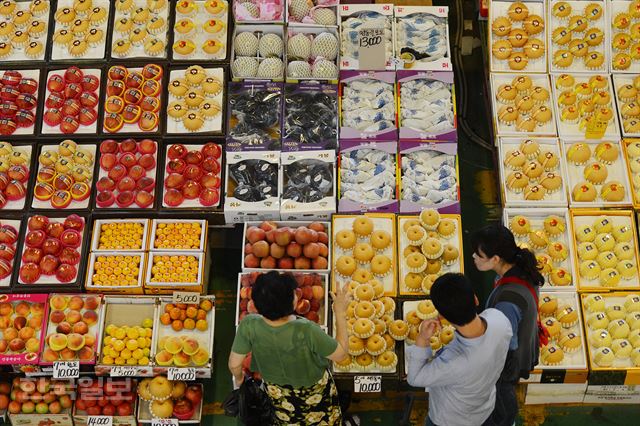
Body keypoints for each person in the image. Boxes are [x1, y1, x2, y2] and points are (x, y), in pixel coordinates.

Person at [228, 271, 351, 425]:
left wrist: (239, 380)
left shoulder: (248, 324)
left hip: (277, 390)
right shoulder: (306, 330)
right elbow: (340, 355)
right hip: (313, 390)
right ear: (293, 302)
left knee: (286, 417)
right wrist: (340, 312)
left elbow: (234, 364)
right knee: (321, 416)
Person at [406, 273, 512, 426]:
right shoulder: (500, 320)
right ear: (475, 299)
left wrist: (423, 338)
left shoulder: (454, 362)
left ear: (442, 316)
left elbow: (415, 378)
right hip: (484, 406)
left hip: (450, 419)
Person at [471, 223, 545, 426]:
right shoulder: (520, 269)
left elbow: (506, 345)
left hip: (507, 362)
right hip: (526, 339)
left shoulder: (507, 301)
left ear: (495, 259)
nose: (474, 258)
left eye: (478, 255)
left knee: (502, 400)